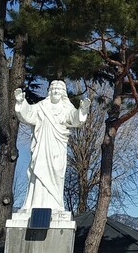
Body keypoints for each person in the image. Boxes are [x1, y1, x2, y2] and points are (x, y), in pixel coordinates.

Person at [14, 81, 90, 215]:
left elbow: (74, 119)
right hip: (42, 147)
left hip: (57, 148)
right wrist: (21, 103)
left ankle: (55, 205)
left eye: (59, 89)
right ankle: (34, 204)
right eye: (53, 89)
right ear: (49, 91)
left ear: (63, 93)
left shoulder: (66, 108)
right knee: (38, 173)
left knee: (56, 174)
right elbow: (29, 113)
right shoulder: (42, 106)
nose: (55, 91)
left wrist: (82, 110)